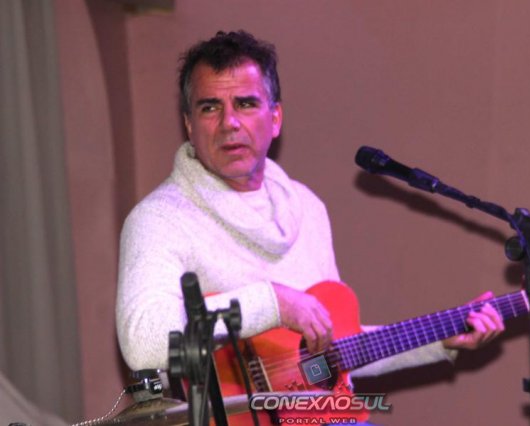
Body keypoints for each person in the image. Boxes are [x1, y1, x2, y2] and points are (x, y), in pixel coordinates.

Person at [116, 30, 504, 423]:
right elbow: (142, 342)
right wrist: (274, 303)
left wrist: (440, 340)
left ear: (275, 118)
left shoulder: (306, 208)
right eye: (210, 107)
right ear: (188, 124)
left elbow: (327, 357)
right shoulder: (159, 219)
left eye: (246, 103)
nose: (229, 122)